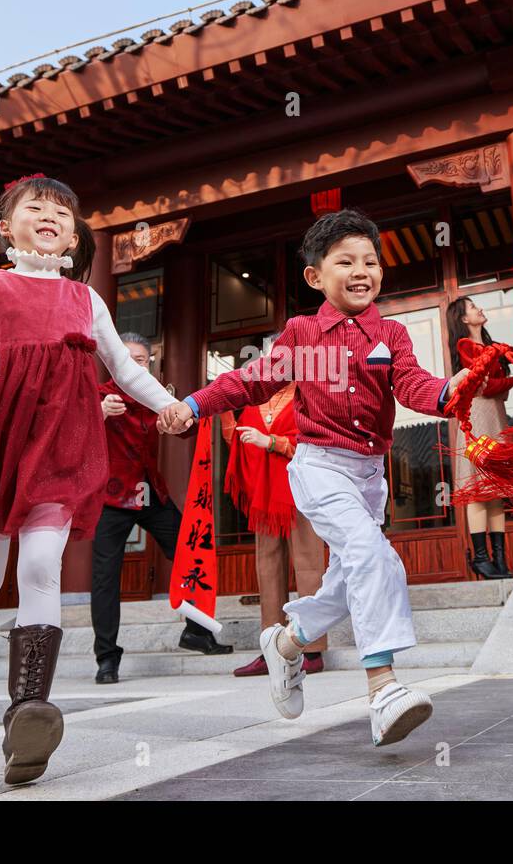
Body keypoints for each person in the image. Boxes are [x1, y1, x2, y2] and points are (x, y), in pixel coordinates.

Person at [0, 174, 179, 785]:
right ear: (7, 229)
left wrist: (168, 406)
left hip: (60, 450)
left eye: (62, 210)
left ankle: (29, 707)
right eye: (35, 207)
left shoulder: (87, 300)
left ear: (74, 235)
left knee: (40, 565)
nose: (49, 215)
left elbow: (125, 371)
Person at [159, 208, 471, 747]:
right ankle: (384, 688)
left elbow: (415, 386)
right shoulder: (302, 333)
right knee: (374, 557)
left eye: (370, 261)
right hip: (319, 466)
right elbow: (251, 381)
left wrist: (450, 392)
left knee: (349, 580)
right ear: (315, 277)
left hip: (370, 476)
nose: (362, 271)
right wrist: (193, 403)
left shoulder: (392, 334)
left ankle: (286, 645)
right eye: (346, 261)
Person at [92, 331, 232, 685]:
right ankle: (106, 658)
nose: (134, 366)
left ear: (149, 363)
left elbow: (186, 427)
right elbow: (69, 434)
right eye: (127, 360)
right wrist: (98, 414)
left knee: (192, 551)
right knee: (105, 578)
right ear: (112, 361)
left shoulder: (155, 394)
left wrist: (180, 421)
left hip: (151, 492)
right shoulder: (98, 395)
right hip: (110, 497)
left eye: (141, 361)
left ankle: (197, 632)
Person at [219, 381, 329, 678]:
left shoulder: (309, 395)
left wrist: (272, 442)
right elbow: (239, 445)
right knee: (267, 569)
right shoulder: (255, 401)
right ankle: (272, 648)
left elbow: (316, 442)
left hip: (301, 490)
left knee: (308, 566)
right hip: (265, 496)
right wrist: (225, 413)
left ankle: (313, 649)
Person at [444, 296, 513, 579]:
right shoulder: (466, 347)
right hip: (478, 417)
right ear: (463, 319)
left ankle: (500, 561)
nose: (479, 309)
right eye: (472, 307)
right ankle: (481, 559)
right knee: (479, 492)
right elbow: (485, 387)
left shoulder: (492, 348)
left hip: (495, 415)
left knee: (496, 492)